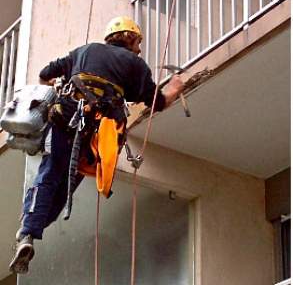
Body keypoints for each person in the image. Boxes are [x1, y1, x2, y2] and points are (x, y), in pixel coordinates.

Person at [10, 16, 183, 275]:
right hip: (98, 133)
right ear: (130, 38)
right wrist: (178, 86)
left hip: (67, 116)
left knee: (50, 173)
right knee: (67, 185)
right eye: (138, 42)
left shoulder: (86, 50)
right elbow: (156, 101)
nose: (139, 48)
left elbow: (46, 73)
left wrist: (59, 85)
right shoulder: (135, 64)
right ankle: (33, 229)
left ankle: (27, 234)